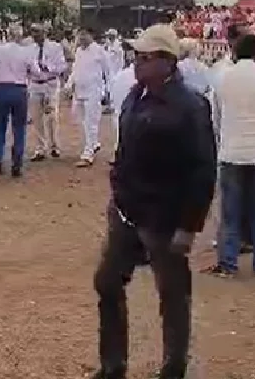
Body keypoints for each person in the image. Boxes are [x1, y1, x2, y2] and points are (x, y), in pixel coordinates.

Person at [91, 23, 216, 379]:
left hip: (165, 217)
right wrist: (117, 183)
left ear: (167, 62)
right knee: (108, 282)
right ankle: (112, 365)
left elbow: (202, 170)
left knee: (173, 295)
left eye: (145, 58)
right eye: (136, 56)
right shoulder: (135, 95)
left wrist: (189, 227)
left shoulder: (190, 106)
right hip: (127, 211)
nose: (136, 63)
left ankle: (173, 369)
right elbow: (125, 146)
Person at [205, 34, 255, 277]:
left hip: (231, 153)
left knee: (230, 211)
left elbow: (215, 119)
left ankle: (228, 264)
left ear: (235, 54)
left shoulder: (221, 78)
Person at [0, 24, 36, 177]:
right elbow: (35, 71)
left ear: (8, 35)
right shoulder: (26, 52)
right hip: (19, 89)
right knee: (19, 128)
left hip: (2, 88)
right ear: (21, 36)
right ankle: (17, 164)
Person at [67, 27, 110, 167]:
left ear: (91, 36)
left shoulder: (99, 51)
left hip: (94, 91)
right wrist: (68, 85)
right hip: (79, 91)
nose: (82, 38)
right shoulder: (79, 51)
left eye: (85, 35)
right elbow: (75, 69)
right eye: (80, 35)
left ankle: (88, 154)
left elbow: (108, 71)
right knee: (78, 119)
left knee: (91, 122)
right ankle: (93, 143)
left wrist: (109, 91)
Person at [27, 25, 68, 161]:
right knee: (36, 117)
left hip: (50, 83)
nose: (35, 34)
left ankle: (54, 145)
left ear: (44, 32)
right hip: (35, 84)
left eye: (37, 31)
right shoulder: (29, 48)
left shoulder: (55, 47)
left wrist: (47, 67)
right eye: (33, 32)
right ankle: (40, 148)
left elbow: (62, 66)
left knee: (51, 116)